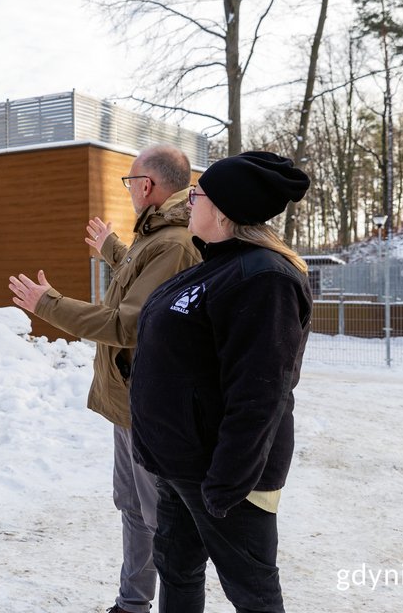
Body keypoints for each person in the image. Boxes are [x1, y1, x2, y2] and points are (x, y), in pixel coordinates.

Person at [8, 145, 200, 613]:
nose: (130, 188)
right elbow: (140, 279)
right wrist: (112, 249)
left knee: (158, 517)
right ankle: (132, 604)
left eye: (131, 181)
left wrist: (47, 304)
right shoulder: (158, 234)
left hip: (148, 404)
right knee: (133, 507)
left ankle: (156, 604)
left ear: (148, 186)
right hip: (128, 399)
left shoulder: (173, 242)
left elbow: (126, 322)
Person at [128, 151, 312, 613]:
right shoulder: (213, 265)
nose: (189, 201)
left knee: (252, 592)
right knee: (177, 569)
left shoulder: (264, 279)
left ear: (225, 209)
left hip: (225, 477)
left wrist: (227, 483)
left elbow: (261, 392)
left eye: (198, 194)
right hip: (180, 466)